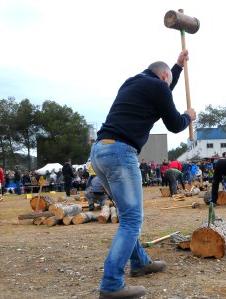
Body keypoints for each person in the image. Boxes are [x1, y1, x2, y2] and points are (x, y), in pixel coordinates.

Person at [90, 50, 196, 299]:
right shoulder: (158, 87)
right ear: (163, 76)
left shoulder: (133, 82)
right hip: (120, 152)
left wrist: (178, 67)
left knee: (128, 216)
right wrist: (188, 116)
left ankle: (139, 263)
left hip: (100, 151)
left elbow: (163, 92)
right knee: (132, 220)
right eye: (169, 80)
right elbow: (174, 123)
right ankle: (111, 284)